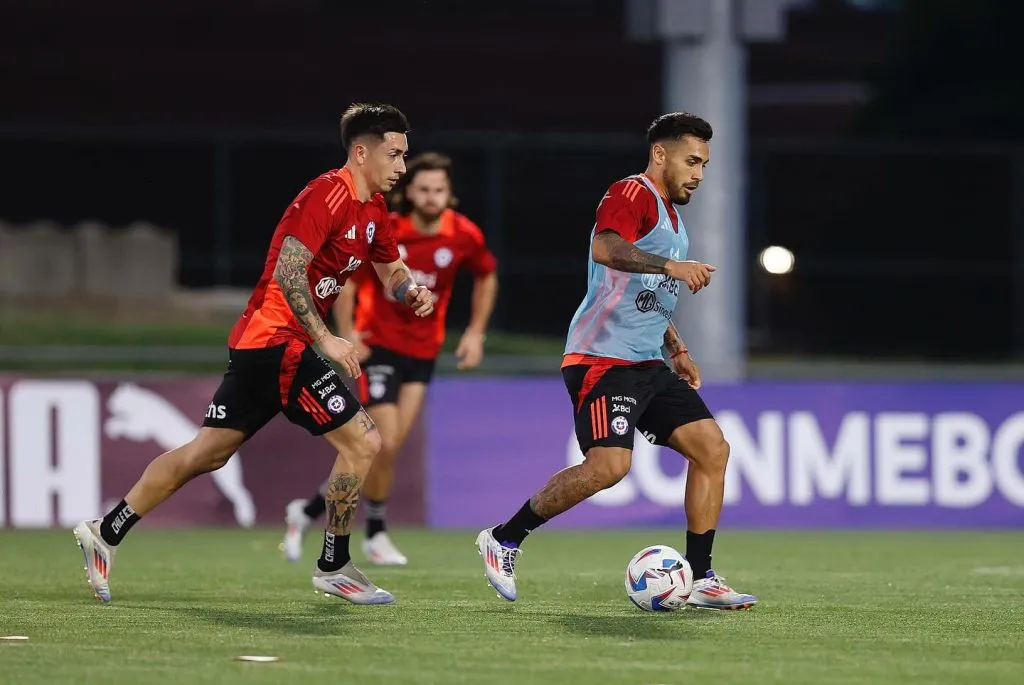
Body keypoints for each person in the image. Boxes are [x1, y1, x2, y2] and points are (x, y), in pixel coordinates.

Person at [72, 103, 435, 606]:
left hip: (262, 345)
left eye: (404, 156)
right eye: (394, 155)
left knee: (208, 452)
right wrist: (326, 339)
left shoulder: (374, 210)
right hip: (275, 340)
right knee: (363, 443)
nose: (401, 167)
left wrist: (411, 291)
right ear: (361, 151)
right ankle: (334, 565)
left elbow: (391, 271)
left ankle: (105, 532)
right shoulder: (323, 196)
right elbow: (289, 274)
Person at [475, 112, 758, 610]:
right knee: (608, 468)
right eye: (692, 161)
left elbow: (648, 293)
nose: (699, 173)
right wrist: (673, 265)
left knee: (712, 449)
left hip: (647, 361)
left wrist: (678, 347)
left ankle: (700, 577)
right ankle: (504, 537)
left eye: (705, 165)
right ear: (660, 154)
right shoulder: (631, 194)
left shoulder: (672, 217)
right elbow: (605, 248)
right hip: (601, 360)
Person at [281, 152, 499, 565]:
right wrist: (348, 333)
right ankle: (376, 531)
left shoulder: (464, 234)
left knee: (390, 447)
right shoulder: (389, 231)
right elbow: (348, 282)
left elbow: (487, 273)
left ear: (449, 195)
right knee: (385, 439)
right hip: (379, 346)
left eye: (439, 189)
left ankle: (307, 511)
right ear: (409, 193)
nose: (431, 197)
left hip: (423, 352)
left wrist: (474, 332)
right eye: (423, 189)